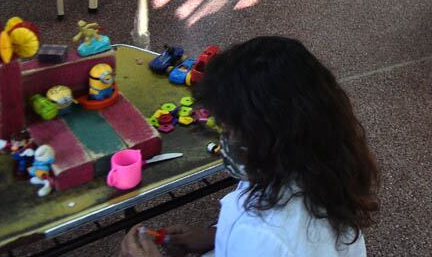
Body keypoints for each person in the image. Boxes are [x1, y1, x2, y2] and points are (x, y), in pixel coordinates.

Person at [119, 37, 379, 257]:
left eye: (229, 130)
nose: (225, 140)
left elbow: (265, 239)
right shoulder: (317, 163)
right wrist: (214, 236)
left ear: (266, 137)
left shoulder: (262, 236)